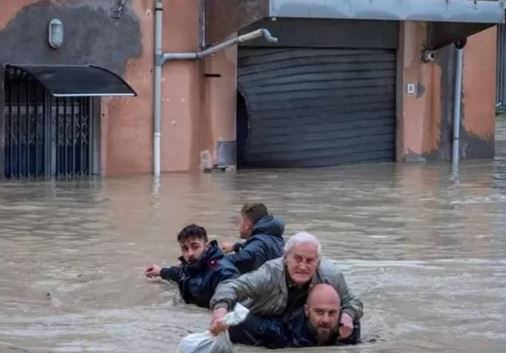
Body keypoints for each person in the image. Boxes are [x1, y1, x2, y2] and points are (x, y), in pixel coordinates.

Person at [209, 232, 363, 345]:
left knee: (352, 325)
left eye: (309, 260)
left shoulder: (331, 275)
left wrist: (348, 315)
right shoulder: (268, 275)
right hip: (265, 319)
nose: (303, 266)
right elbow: (231, 285)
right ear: (285, 258)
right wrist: (220, 310)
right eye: (297, 259)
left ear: (318, 262)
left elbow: (353, 301)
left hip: (299, 321)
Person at [227, 283, 361, 348]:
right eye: (319, 312)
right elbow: (239, 320)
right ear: (307, 311)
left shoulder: (349, 329)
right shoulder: (283, 331)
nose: (326, 319)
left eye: (332, 313)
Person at [144, 224, 239, 308]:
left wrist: (221, 308)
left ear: (207, 247)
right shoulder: (192, 266)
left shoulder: (220, 269)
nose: (190, 253)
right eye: (185, 249)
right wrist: (160, 271)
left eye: (195, 247)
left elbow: (232, 285)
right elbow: (181, 274)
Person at [220, 203, 285, 274]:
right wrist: (235, 246)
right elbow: (258, 247)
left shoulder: (258, 245)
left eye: (240, 221)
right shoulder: (272, 236)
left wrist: (213, 261)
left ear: (247, 225)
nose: (238, 225)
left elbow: (245, 258)